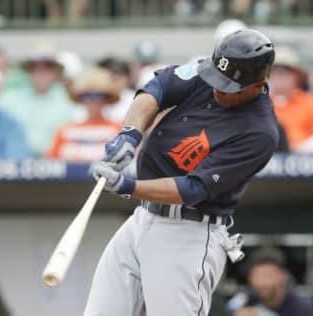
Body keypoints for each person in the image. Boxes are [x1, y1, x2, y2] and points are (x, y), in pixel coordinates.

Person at [84, 29, 279, 316]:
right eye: (217, 79)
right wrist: (130, 133)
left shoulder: (259, 132)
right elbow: (158, 89)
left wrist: (127, 185)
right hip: (142, 219)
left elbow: (192, 189)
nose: (218, 89)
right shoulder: (208, 72)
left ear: (257, 84)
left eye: (229, 87)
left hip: (189, 234)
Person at [0, 40, 77, 157]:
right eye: (36, 67)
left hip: (56, 166)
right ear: (29, 71)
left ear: (55, 72)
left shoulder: (69, 102)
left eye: (47, 67)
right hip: (17, 165)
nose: (41, 72)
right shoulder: (9, 100)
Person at [47, 67, 122, 162]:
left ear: (106, 99)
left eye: (98, 96)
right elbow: (51, 161)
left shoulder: (118, 129)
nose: (92, 101)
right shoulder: (65, 130)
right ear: (81, 99)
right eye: (87, 96)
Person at [270, 46, 313, 153]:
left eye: (286, 71)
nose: (280, 76)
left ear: (296, 75)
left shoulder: (310, 102)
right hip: (268, 159)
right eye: (275, 71)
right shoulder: (261, 103)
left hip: (305, 160)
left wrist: (299, 149)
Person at [227, 248, 313, 316]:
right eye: (257, 276)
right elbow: (229, 309)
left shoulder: (301, 304)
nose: (263, 282)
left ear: (283, 275)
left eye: (269, 275)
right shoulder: (245, 298)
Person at [97, 57, 136, 123]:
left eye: (114, 78)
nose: (109, 83)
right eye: (105, 78)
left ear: (127, 78)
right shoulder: (90, 99)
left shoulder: (135, 100)